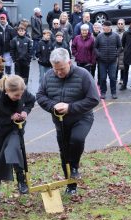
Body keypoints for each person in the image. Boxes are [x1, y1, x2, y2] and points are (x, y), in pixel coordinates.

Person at [36, 48, 100, 195]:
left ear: (69, 62)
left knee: (76, 139)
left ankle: (75, 167)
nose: (59, 73)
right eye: (55, 69)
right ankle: (70, 185)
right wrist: (53, 106)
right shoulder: (48, 76)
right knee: (64, 152)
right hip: (60, 121)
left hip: (82, 117)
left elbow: (93, 99)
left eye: (62, 69)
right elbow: (40, 96)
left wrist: (70, 107)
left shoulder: (83, 75)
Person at [0, 75, 36, 207]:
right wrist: (9, 118)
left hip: (15, 129)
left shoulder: (22, 91)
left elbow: (31, 101)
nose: (19, 97)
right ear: (7, 91)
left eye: (21, 94)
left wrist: (25, 111)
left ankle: (21, 180)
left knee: (14, 150)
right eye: (16, 95)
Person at [95, 21, 121, 99]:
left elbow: (120, 47)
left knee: (113, 77)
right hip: (102, 61)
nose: (104, 28)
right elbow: (95, 47)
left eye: (106, 27)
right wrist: (99, 54)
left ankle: (113, 92)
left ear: (109, 27)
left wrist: (116, 54)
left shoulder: (116, 36)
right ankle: (103, 92)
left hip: (112, 61)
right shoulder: (99, 36)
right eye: (103, 27)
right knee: (102, 78)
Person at [115, 19, 126, 87]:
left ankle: (122, 79)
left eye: (121, 24)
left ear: (124, 24)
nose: (120, 25)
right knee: (115, 66)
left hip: (123, 52)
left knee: (123, 66)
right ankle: (115, 79)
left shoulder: (126, 33)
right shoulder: (114, 32)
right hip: (116, 51)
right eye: (119, 23)